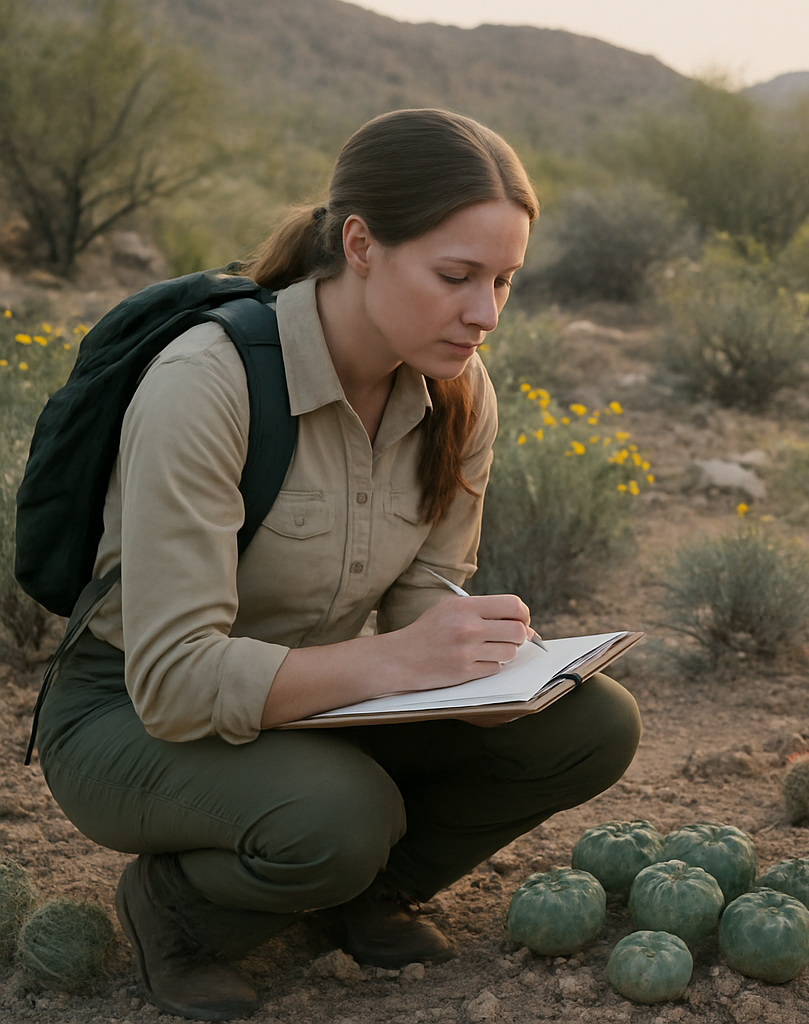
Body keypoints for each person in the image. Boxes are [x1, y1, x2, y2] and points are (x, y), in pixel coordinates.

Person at [35, 109, 643, 1020]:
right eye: (455, 275)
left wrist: (487, 663)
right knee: (340, 817)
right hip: (131, 714)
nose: (485, 313)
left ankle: (359, 893)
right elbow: (171, 681)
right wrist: (401, 661)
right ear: (359, 243)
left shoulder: (459, 389)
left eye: (505, 281)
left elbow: (418, 599)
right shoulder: (209, 381)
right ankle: (181, 912)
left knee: (588, 724)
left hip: (313, 698)